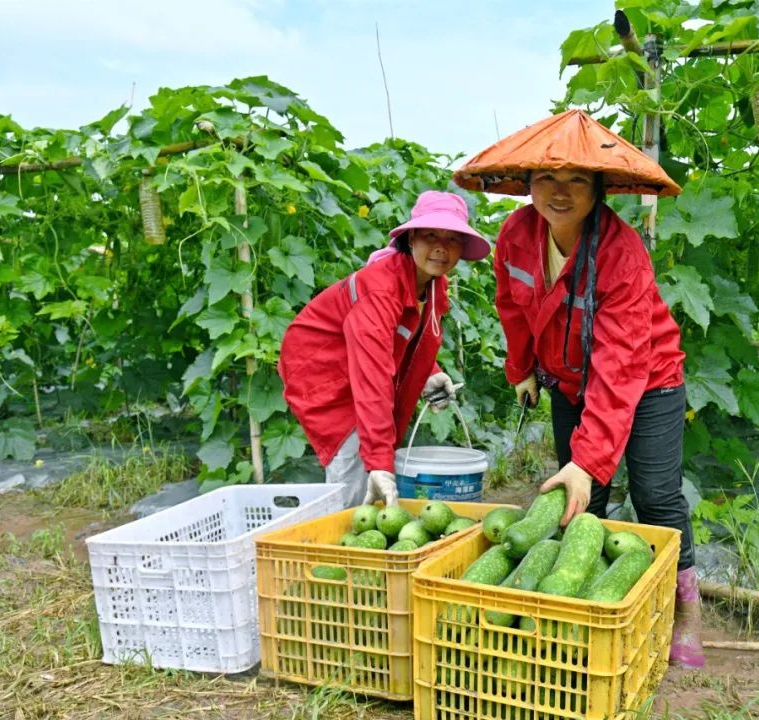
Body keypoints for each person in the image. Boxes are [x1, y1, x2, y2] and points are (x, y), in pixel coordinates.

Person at [457, 109, 702, 668]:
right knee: (585, 497)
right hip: (569, 380)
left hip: (648, 382)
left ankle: (685, 610)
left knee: (656, 495)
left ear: (598, 188)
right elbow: (513, 308)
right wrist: (520, 368)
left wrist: (589, 458)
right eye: (547, 179)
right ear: (526, 185)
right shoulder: (516, 235)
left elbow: (621, 368)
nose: (559, 193)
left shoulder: (621, 254)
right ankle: (591, 605)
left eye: (575, 181)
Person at [278, 191, 490, 509]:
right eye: (431, 234)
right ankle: (339, 547)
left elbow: (405, 337)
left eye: (452, 239)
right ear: (411, 238)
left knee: (376, 458)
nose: (440, 248)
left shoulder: (432, 284)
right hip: (322, 370)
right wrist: (378, 459)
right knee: (353, 462)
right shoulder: (380, 290)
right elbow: (372, 376)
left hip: (358, 364)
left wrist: (429, 374)